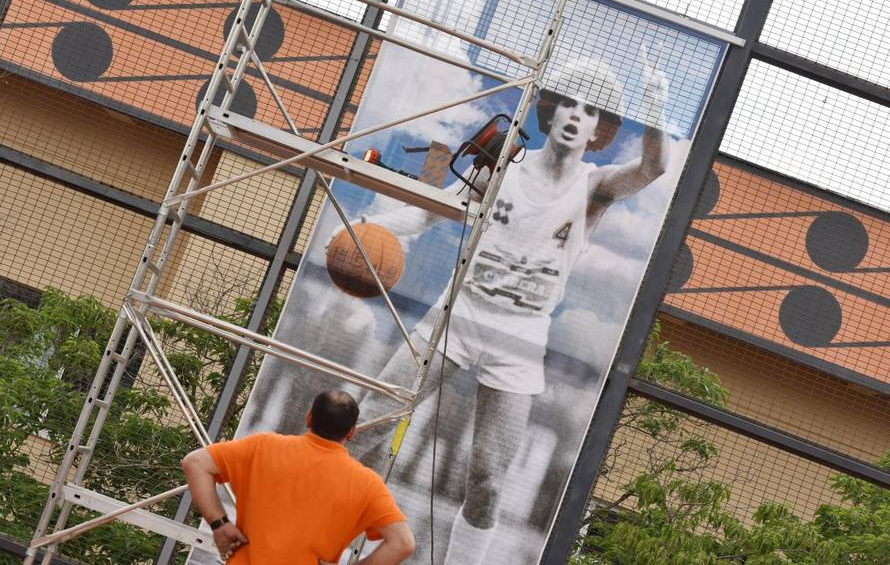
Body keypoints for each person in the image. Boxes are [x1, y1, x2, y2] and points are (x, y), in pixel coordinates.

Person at [347, 48, 669, 564]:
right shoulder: (503, 166)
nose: (576, 115)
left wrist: (655, 104)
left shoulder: (595, 187)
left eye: (590, 111)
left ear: (597, 130)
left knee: (489, 481)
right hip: (457, 319)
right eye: (570, 104)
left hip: (520, 339)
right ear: (552, 112)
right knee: (369, 424)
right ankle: (327, 538)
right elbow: (432, 213)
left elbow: (653, 166)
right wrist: (374, 231)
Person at [181, 390, 415, 565]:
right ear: (352, 432)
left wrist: (219, 524)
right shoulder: (367, 484)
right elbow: (403, 543)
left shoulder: (263, 447)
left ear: (309, 417)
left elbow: (194, 463)